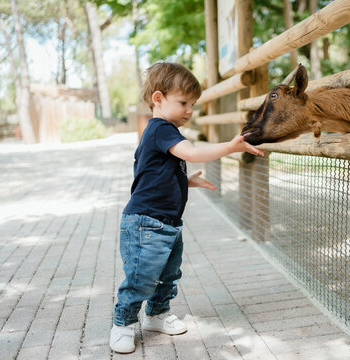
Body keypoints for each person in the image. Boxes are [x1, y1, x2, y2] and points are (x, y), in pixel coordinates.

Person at [110, 62, 264, 353]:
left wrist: (185, 179)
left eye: (192, 104)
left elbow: (148, 174)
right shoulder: (161, 129)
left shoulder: (159, 133)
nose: (190, 110)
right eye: (184, 103)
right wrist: (230, 147)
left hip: (167, 223)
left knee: (168, 274)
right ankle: (123, 323)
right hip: (146, 224)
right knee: (141, 277)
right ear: (158, 99)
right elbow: (192, 152)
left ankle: (156, 315)